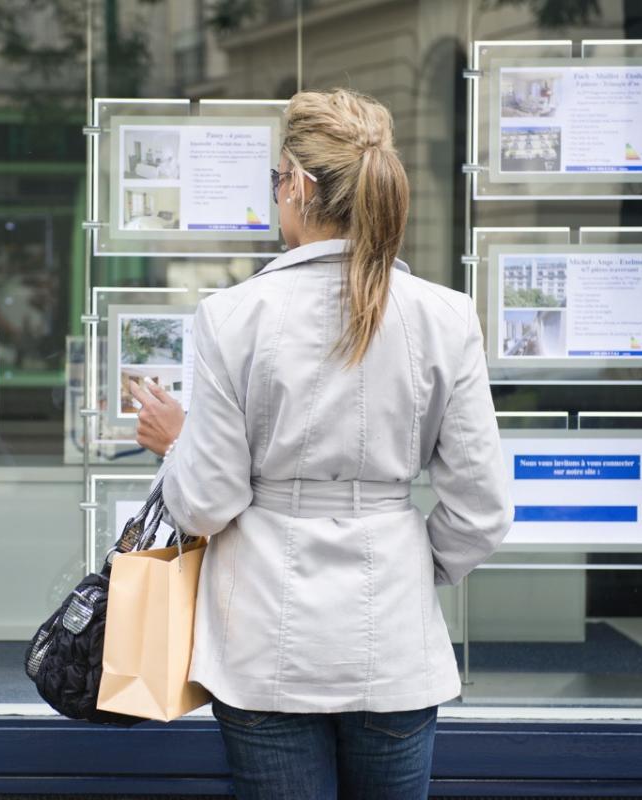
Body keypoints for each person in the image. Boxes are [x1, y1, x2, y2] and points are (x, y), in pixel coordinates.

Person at [128, 88, 513, 799]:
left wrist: (178, 446)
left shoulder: (232, 316)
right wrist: (406, 562)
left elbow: (207, 503)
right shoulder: (446, 316)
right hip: (394, 643)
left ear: (300, 187)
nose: (277, 195)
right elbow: (482, 510)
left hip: (262, 642)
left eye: (277, 180)